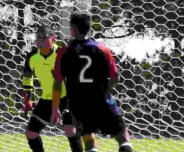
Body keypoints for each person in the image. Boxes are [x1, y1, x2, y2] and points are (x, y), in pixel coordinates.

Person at [52, 13, 133, 152]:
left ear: (72, 29)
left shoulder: (64, 52)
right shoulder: (103, 49)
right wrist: (106, 92)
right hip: (102, 100)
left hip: (79, 105)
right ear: (90, 29)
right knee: (123, 137)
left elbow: (58, 83)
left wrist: (55, 109)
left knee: (89, 141)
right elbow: (115, 77)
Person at [21, 25, 85, 152]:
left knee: (70, 130)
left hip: (67, 97)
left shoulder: (63, 55)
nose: (40, 41)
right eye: (38, 38)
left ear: (54, 39)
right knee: (31, 133)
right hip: (47, 98)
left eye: (44, 38)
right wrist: (27, 99)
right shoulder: (32, 57)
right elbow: (27, 78)